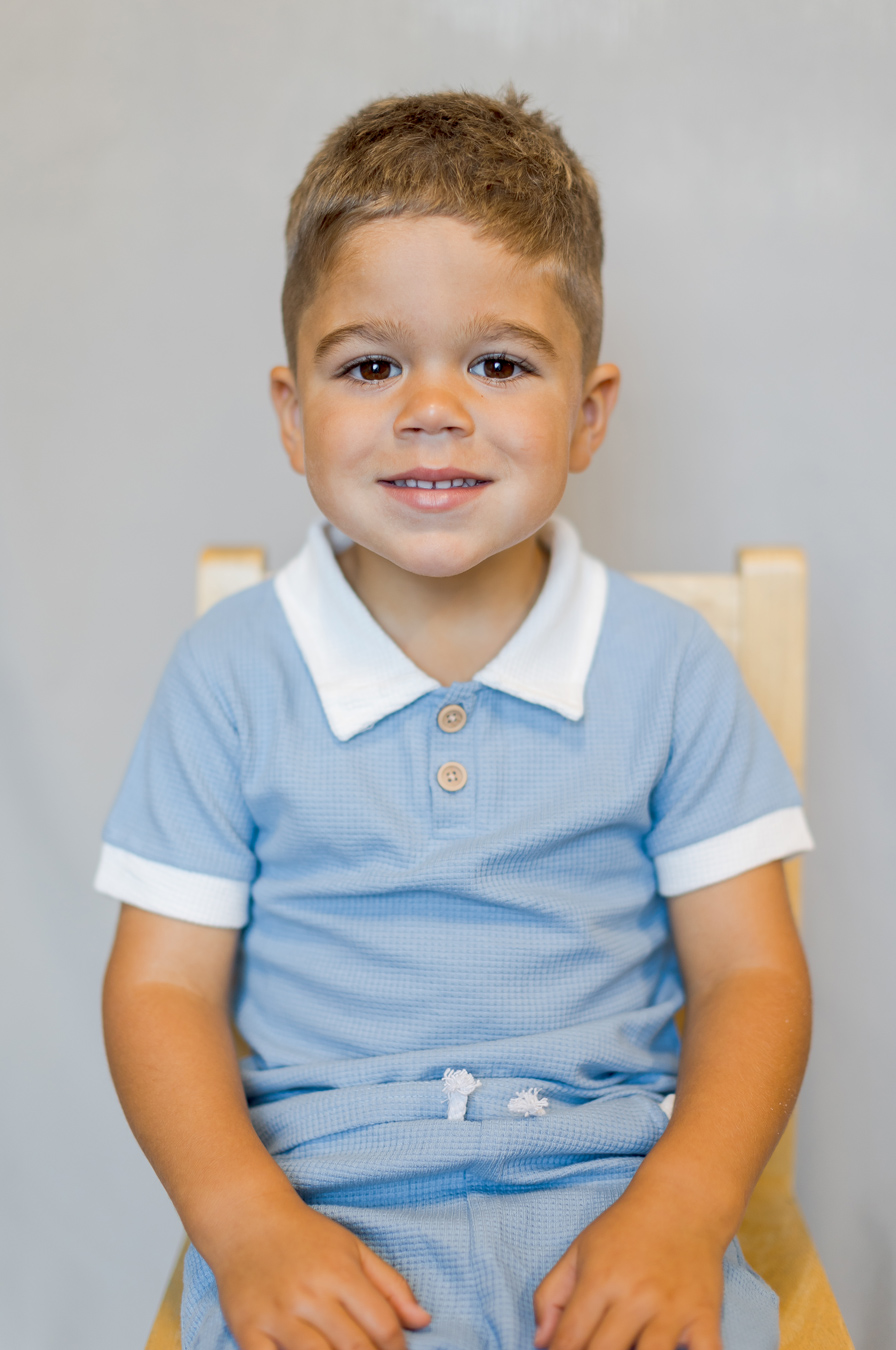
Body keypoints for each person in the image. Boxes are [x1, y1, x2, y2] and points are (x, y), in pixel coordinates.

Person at [97, 90, 814, 1350]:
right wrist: (248, 1224)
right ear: (291, 412)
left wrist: (687, 1209)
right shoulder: (228, 676)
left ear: (588, 414)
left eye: (497, 362)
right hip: (322, 1220)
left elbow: (750, 971)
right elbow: (160, 990)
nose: (433, 406)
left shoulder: (671, 669)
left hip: (613, 1210)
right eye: (372, 364)